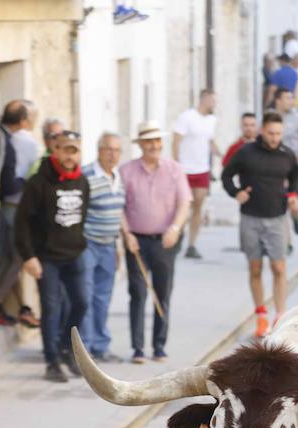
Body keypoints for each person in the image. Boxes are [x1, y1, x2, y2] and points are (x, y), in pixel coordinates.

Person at [15, 128, 90, 382]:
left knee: (81, 302)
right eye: (65, 149)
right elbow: (21, 222)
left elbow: (82, 216)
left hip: (74, 254)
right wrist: (28, 256)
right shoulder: (38, 183)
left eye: (74, 150)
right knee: (51, 307)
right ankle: (52, 360)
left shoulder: (82, 181)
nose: (69, 156)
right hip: (46, 257)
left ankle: (67, 349)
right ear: (55, 150)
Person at [221, 111, 298, 338]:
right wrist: (236, 193)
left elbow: (296, 176)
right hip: (251, 218)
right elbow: (226, 175)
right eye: (271, 133)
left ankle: (280, 316)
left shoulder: (287, 155)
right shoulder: (246, 153)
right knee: (255, 268)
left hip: (277, 217)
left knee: (279, 268)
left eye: (278, 133)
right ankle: (261, 316)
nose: (275, 138)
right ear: (262, 131)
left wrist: (294, 194)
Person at [119, 122, 192, 364]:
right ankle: (138, 348)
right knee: (138, 293)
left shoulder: (174, 169)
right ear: (140, 144)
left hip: (165, 240)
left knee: (163, 293)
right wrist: (126, 234)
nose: (154, 145)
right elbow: (120, 206)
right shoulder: (126, 171)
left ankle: (159, 346)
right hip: (136, 241)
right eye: (149, 141)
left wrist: (175, 228)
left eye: (157, 141)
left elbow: (184, 203)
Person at [79, 131, 126, 363]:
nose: (112, 154)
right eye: (108, 149)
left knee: (103, 298)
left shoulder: (118, 177)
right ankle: (85, 348)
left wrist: (118, 248)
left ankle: (100, 345)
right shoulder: (86, 175)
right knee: (86, 297)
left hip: (108, 246)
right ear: (99, 150)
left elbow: (117, 215)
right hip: (88, 245)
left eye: (117, 150)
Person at [0, 100, 41, 329]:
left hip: (6, 205)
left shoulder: (6, 136)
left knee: (11, 258)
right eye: (33, 116)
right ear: (24, 121)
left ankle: (21, 307)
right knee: (17, 259)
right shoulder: (26, 141)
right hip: (16, 206)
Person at [172, 89, 219, 260]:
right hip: (185, 169)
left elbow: (211, 141)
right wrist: (177, 165)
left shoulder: (212, 120)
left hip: (202, 169)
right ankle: (178, 237)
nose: (214, 104)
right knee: (183, 205)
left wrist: (221, 155)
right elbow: (176, 140)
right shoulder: (187, 117)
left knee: (198, 205)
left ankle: (192, 244)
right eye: (212, 100)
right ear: (203, 99)